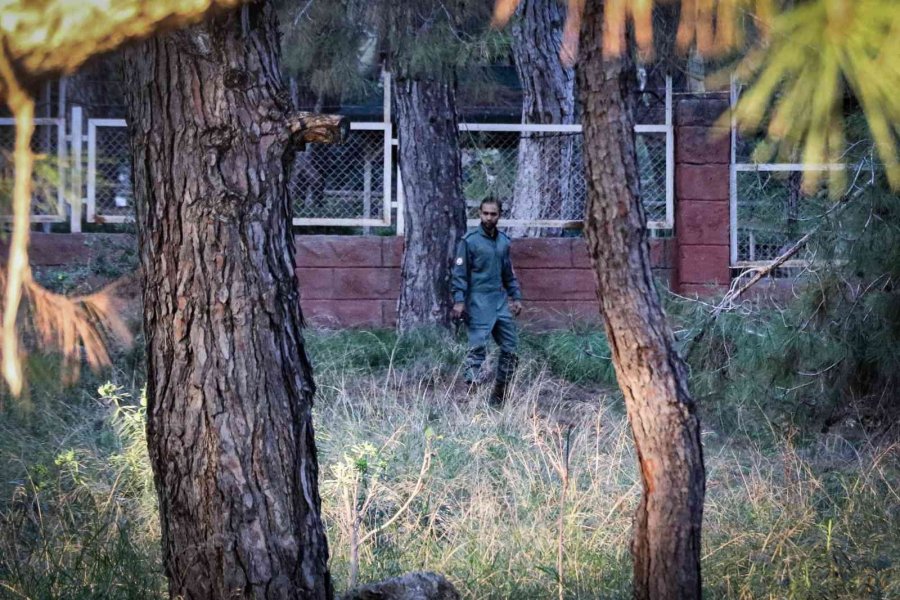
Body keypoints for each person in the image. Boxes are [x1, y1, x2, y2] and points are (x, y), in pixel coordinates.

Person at [451, 197, 523, 406]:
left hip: (499, 302)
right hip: (477, 301)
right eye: (485, 213)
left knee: (511, 349)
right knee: (477, 350)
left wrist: (515, 297)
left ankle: (499, 396)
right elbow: (459, 273)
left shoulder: (504, 242)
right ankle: (472, 399)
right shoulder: (469, 241)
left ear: (499, 215)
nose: (489, 218)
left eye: (493, 214)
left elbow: (508, 273)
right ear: (480, 214)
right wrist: (459, 300)